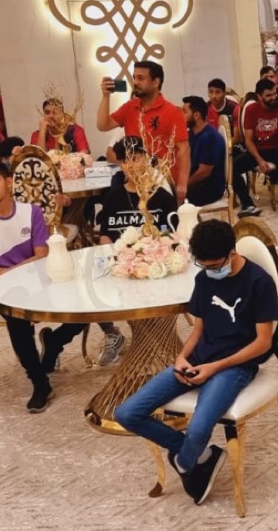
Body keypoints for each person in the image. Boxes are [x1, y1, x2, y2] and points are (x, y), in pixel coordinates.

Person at [114, 219, 278, 505]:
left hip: (235, 367)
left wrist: (214, 367)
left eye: (215, 265)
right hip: (197, 360)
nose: (211, 271)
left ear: (232, 252)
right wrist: (182, 357)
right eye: (204, 265)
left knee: (200, 428)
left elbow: (263, 342)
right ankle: (198, 454)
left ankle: (184, 461)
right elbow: (199, 329)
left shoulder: (259, 282)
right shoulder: (204, 279)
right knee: (127, 413)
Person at [0, 159, 87, 411]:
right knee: (16, 316)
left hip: (37, 277)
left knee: (83, 304)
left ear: (8, 182)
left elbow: (41, 256)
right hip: (3, 288)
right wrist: (11, 275)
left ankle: (54, 342)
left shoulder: (31, 212)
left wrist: (8, 272)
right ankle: (40, 383)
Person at [91, 136, 178, 364]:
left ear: (145, 159)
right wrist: (114, 257)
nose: (131, 165)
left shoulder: (162, 197)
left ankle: (151, 347)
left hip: (156, 268)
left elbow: (172, 237)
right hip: (121, 267)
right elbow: (105, 234)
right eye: (125, 161)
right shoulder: (114, 197)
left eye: (136, 158)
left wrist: (149, 256)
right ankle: (116, 335)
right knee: (90, 281)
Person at [97, 61, 190, 203]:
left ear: (156, 82)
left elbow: (183, 150)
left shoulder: (172, 112)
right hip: (133, 180)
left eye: (140, 78)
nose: (135, 82)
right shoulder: (130, 107)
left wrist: (182, 184)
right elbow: (103, 125)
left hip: (162, 181)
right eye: (134, 77)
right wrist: (105, 96)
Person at [238, 78, 278, 201]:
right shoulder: (251, 109)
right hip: (258, 151)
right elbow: (248, 140)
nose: (273, 97)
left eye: (275, 94)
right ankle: (247, 204)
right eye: (268, 95)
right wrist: (260, 160)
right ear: (259, 96)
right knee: (233, 168)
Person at [182, 96, 227, 208]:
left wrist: (183, 184)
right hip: (198, 184)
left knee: (170, 197)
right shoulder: (192, 133)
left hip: (209, 188)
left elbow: (204, 172)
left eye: (185, 112)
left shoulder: (209, 137)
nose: (181, 116)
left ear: (196, 115)